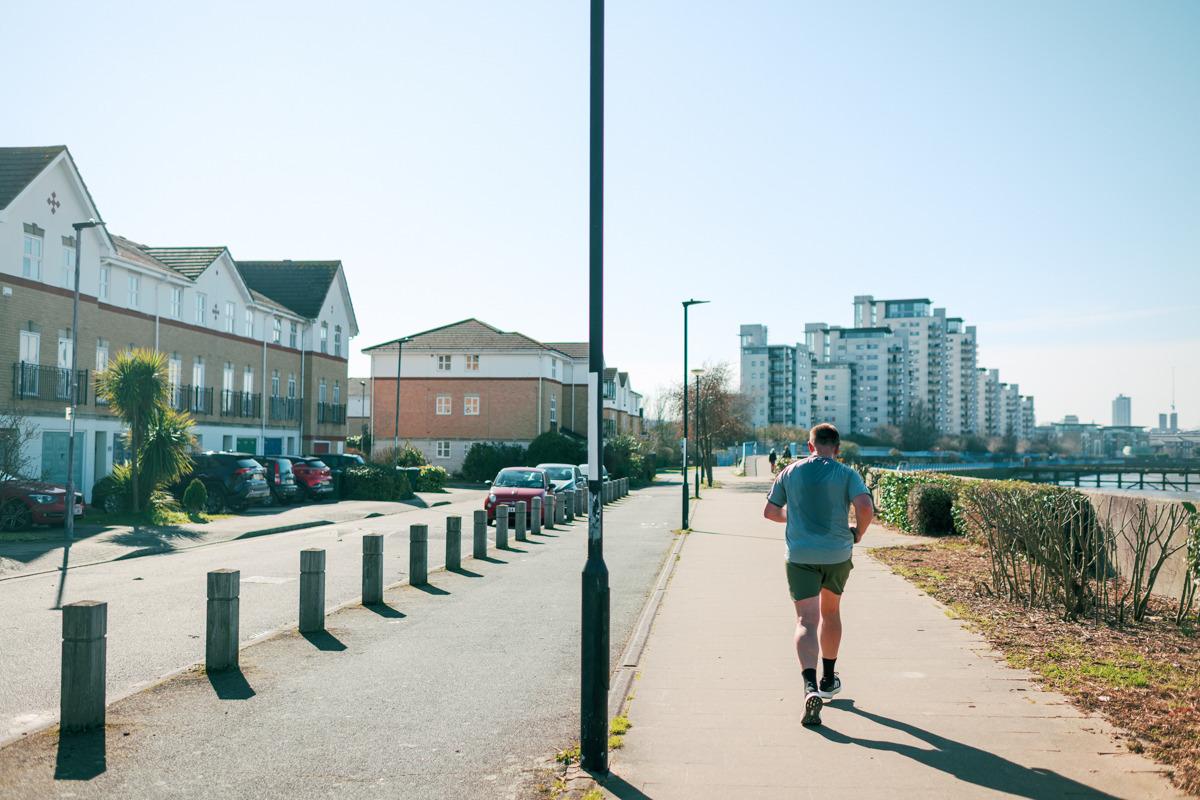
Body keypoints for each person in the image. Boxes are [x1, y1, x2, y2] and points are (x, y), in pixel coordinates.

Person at [763, 422, 874, 727]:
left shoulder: (790, 472)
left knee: (805, 621)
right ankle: (828, 679)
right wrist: (858, 534)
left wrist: (794, 517)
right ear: (837, 449)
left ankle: (809, 686)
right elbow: (865, 506)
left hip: (800, 556)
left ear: (810, 446)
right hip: (837, 554)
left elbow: (770, 512)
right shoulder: (847, 474)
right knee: (831, 613)